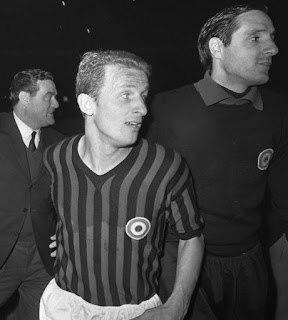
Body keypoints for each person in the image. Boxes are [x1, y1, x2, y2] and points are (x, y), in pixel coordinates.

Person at [146, 3, 288, 320]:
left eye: (272, 37)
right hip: (177, 259)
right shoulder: (162, 108)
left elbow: (282, 213)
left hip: (249, 263)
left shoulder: (279, 112)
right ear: (217, 47)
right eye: (255, 37)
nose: (273, 48)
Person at [39, 49, 204, 320]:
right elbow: (47, 213)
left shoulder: (166, 166)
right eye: (126, 95)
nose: (142, 108)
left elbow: (192, 237)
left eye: (143, 95)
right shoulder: (56, 157)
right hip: (64, 306)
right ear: (87, 104)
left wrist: (178, 304)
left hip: (133, 311)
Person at [0, 69, 65, 319]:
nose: (57, 103)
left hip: (42, 259)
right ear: (25, 98)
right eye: (49, 96)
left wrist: (64, 235)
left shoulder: (61, 144)